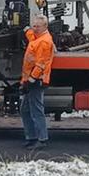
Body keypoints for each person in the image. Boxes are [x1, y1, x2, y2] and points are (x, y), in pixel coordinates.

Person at [20, 15, 55, 150]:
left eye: (37, 27)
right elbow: (31, 37)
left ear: (45, 27)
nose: (35, 29)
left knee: (35, 110)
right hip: (32, 80)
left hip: (36, 81)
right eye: (34, 26)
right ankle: (32, 137)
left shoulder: (45, 42)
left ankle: (41, 138)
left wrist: (29, 82)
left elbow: (40, 65)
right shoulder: (38, 37)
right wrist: (25, 28)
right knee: (25, 109)